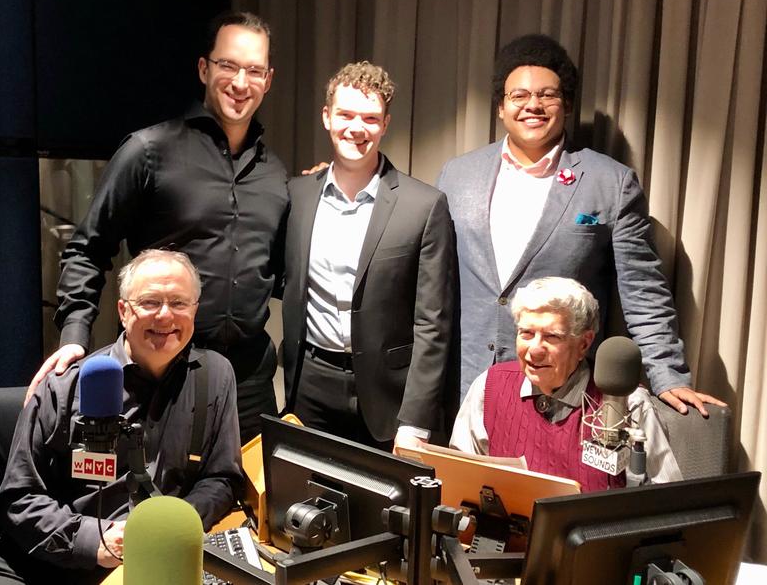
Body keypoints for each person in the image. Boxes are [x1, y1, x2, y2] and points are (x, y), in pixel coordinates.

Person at [25, 11, 288, 444]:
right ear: (204, 69)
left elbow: (278, 270)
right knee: (159, 501)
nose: (241, 82)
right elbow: (88, 249)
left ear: (268, 79)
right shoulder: (148, 150)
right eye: (228, 65)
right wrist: (73, 335)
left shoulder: (275, 173)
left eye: (254, 70)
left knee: (253, 503)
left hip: (250, 381)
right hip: (163, 366)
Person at [436, 33, 724, 416]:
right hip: (467, 386)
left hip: (562, 392)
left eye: (547, 95)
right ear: (501, 108)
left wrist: (668, 375)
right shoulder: (457, 175)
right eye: (518, 96)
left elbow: (642, 291)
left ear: (566, 104)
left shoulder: (612, 183)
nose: (532, 105)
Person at [0, 250, 242, 584]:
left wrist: (171, 526)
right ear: (124, 310)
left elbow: (222, 477)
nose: (166, 316)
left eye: (179, 303)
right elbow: (18, 498)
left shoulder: (216, 375)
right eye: (150, 302)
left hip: (156, 560)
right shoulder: (65, 386)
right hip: (62, 562)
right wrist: (93, 540)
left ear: (195, 310)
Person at [282, 61, 457, 451]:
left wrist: (416, 419)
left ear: (385, 123)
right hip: (309, 384)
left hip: (387, 398)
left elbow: (434, 324)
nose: (356, 128)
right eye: (345, 114)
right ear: (327, 117)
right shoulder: (297, 195)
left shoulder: (424, 205)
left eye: (370, 118)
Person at [450, 277, 681, 491]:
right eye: (526, 334)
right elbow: (459, 479)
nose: (535, 350)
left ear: (584, 343)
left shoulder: (627, 402)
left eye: (552, 337)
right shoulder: (489, 386)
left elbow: (663, 503)